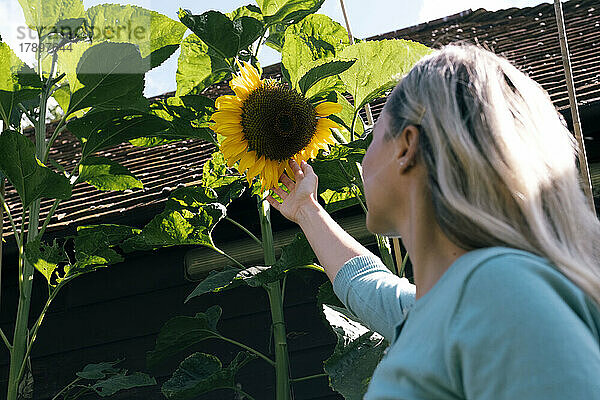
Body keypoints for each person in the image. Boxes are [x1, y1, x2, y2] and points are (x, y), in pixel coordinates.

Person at [265, 44, 600, 399]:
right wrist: (307, 210)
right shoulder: (446, 305)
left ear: (407, 147)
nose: (363, 161)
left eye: (374, 138)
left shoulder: (498, 290)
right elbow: (365, 283)